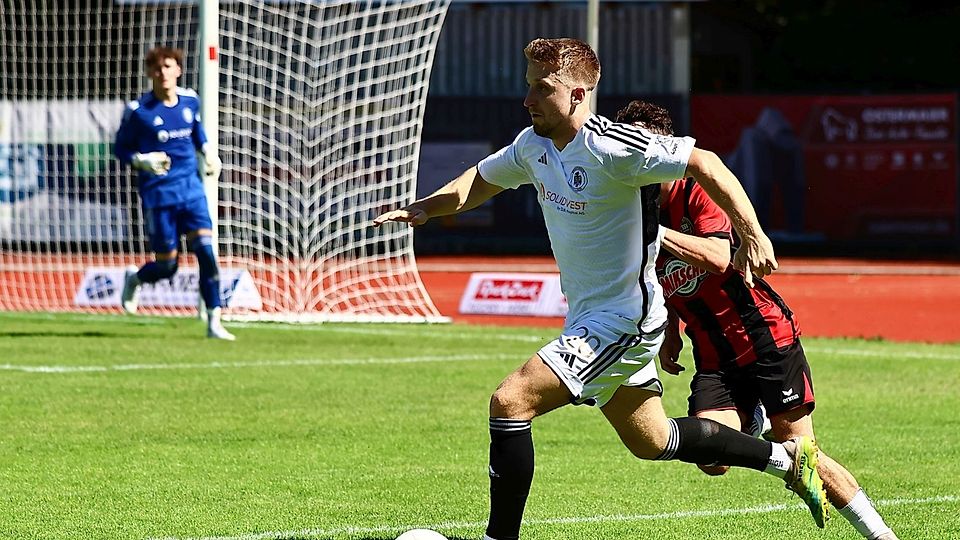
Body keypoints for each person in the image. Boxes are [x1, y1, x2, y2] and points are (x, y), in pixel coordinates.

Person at [374, 38, 829, 540]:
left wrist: (752, 232)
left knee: (510, 400)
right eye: (527, 86)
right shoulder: (533, 146)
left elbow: (707, 163)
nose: (528, 100)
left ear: (578, 93)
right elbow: (477, 184)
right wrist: (426, 208)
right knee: (653, 440)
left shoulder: (613, 145)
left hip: (625, 321)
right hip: (590, 316)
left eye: (541, 89)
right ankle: (784, 461)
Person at [614, 99, 897, 540]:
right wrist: (669, 327)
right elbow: (651, 272)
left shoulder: (694, 192)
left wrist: (658, 232)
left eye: (641, 151)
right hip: (713, 353)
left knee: (806, 452)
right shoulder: (633, 206)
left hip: (765, 338)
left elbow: (715, 255)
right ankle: (756, 423)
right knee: (712, 458)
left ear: (662, 151)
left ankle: (882, 536)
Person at [114, 46, 235, 341]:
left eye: (168, 67)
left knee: (206, 253)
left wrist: (207, 151)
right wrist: (141, 160)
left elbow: (196, 129)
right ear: (149, 73)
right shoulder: (138, 112)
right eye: (156, 68)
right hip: (159, 196)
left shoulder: (190, 100)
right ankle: (137, 278)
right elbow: (120, 148)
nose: (162, 73)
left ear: (178, 70)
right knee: (168, 265)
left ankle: (214, 322)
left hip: (191, 191)